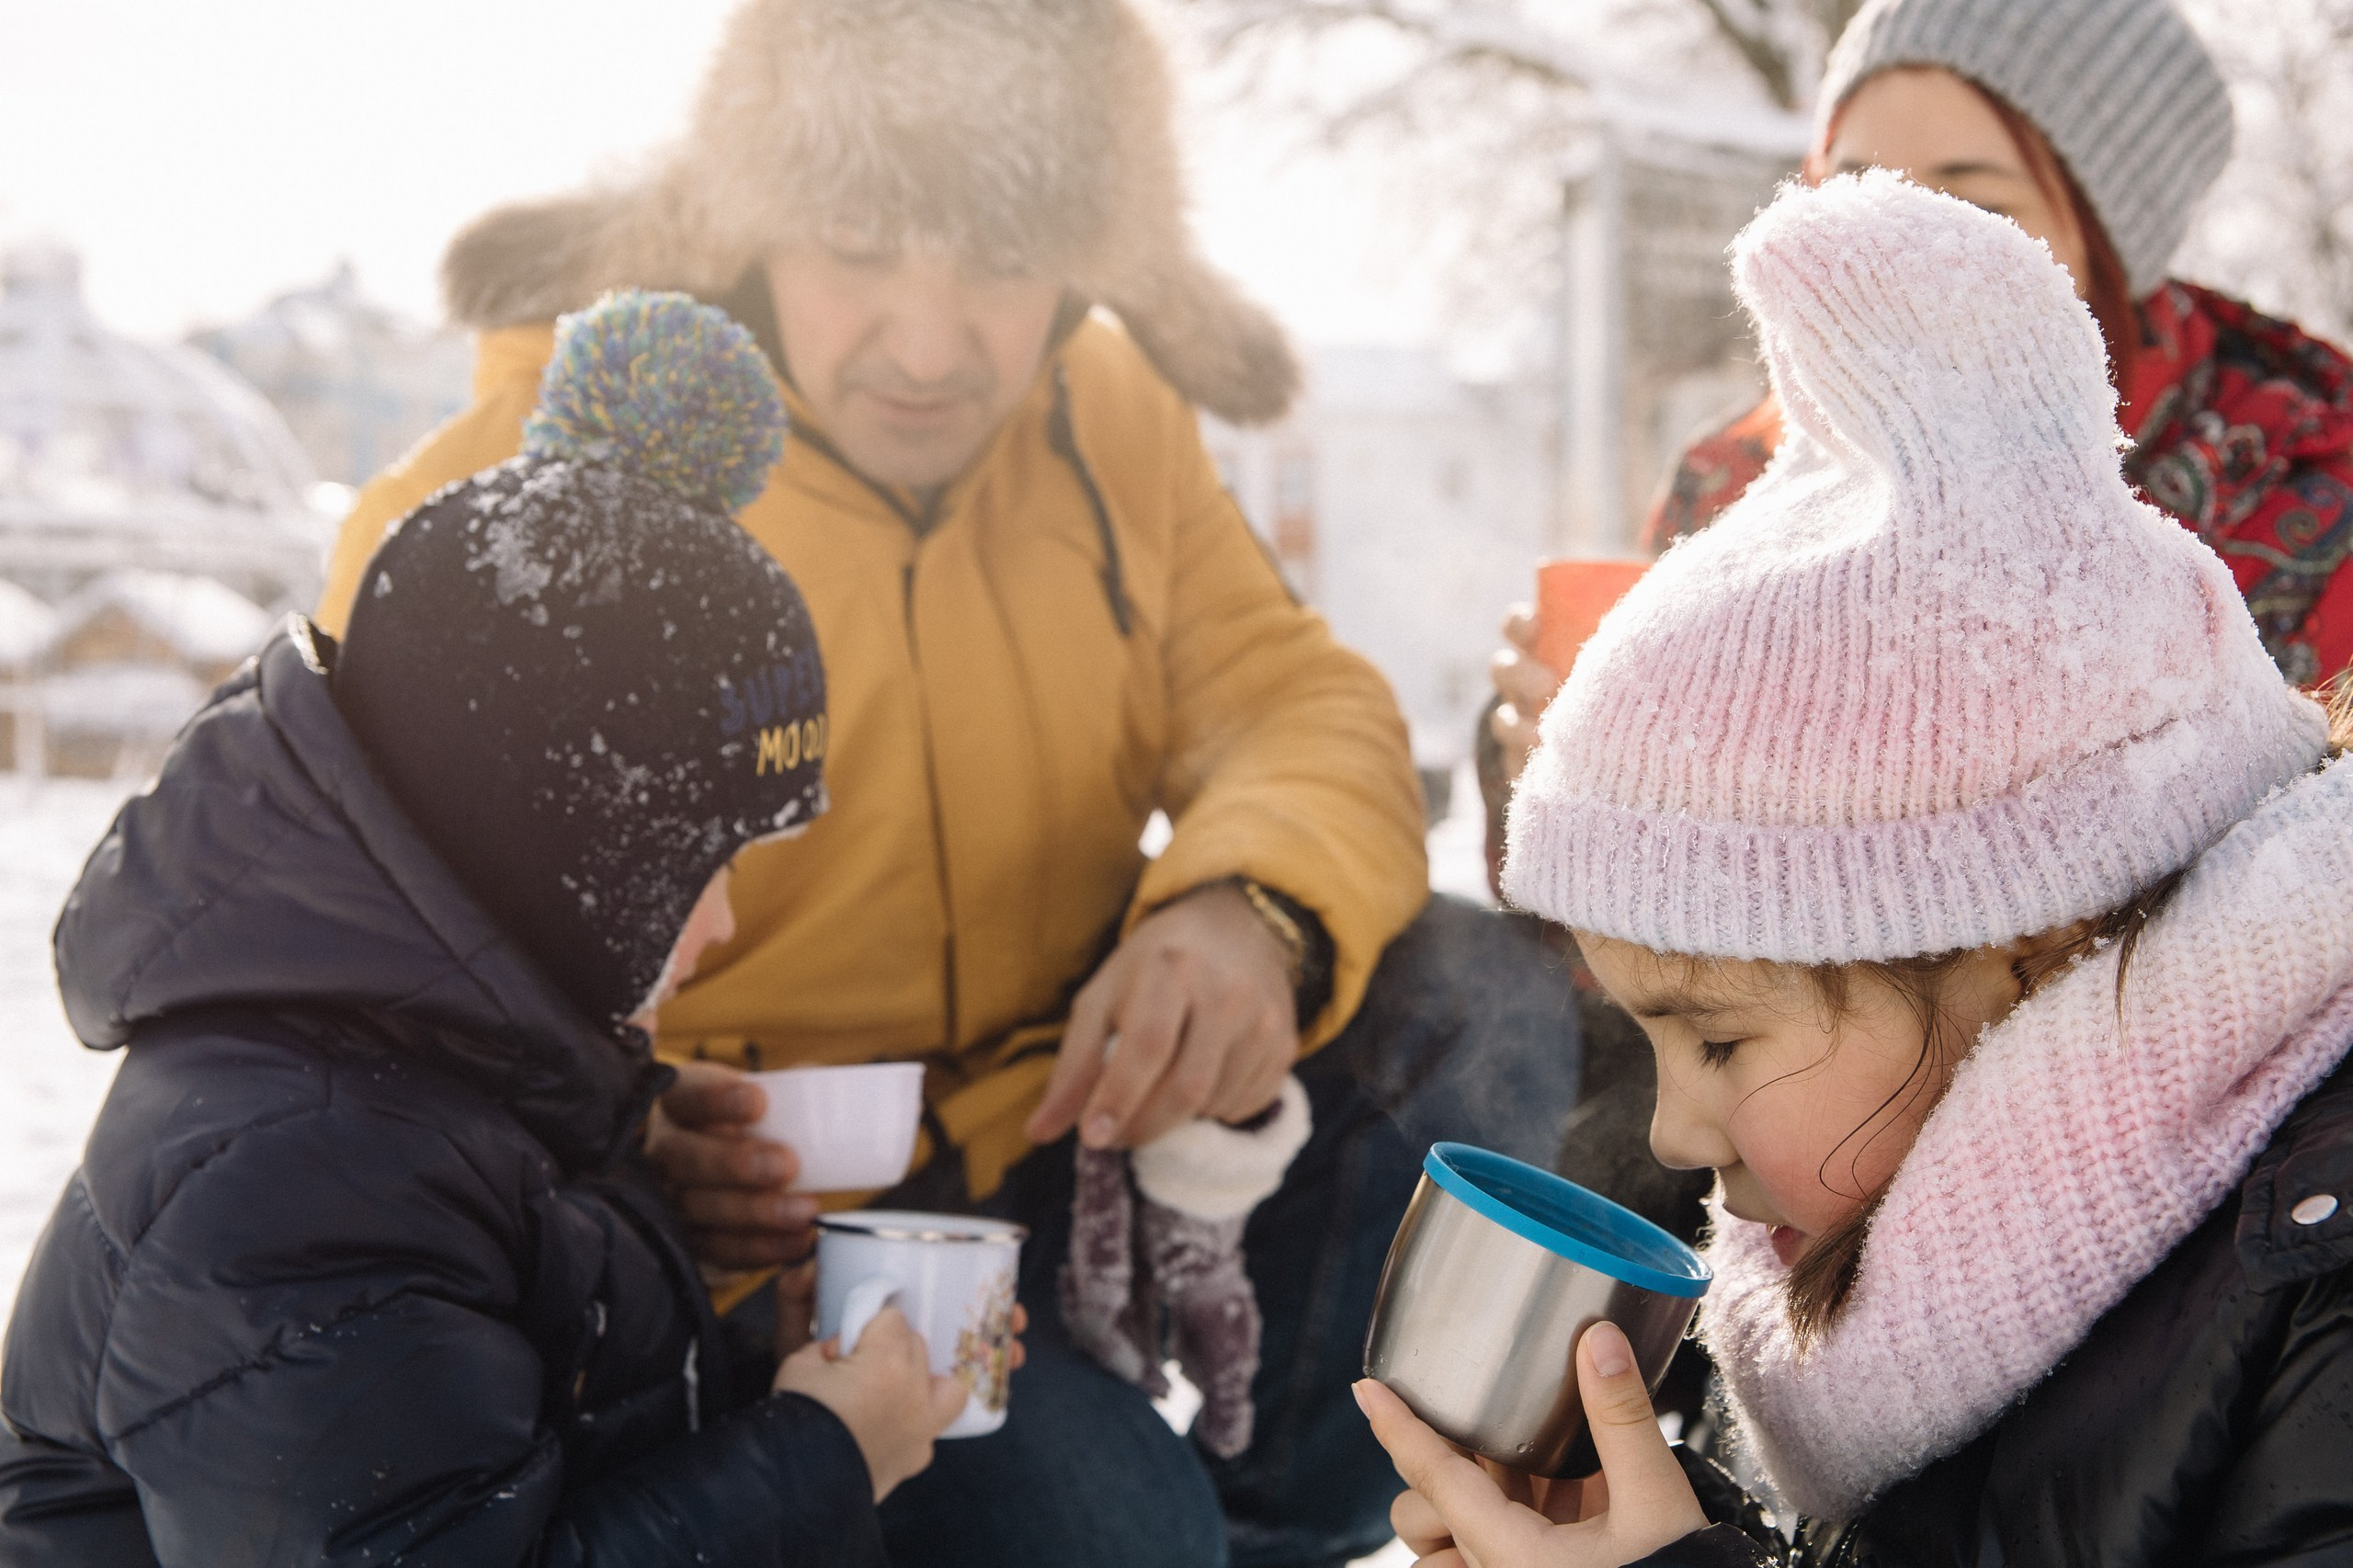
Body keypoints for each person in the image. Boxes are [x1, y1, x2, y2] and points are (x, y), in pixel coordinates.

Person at [311, 2, 1582, 1562]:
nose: (929, 345)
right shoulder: (544, 468)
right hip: (711, 1241)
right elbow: (361, 917)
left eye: (997, 263)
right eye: (856, 245)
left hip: (1052, 1144)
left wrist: (1249, 909)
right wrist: (617, 1135)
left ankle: (1278, 1533)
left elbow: (1292, 698)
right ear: (753, 222)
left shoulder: (1109, 411)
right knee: (1112, 1535)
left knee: (1475, 990)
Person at [1361, 171, 2353, 1566]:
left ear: (2031, 945)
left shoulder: (2316, 1284)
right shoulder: (1887, 1273)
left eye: (1714, 1036)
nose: (1670, 1136)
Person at [0, 294, 989, 1564]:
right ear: (564, 857)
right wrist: (819, 1451)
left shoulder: (435, 1083)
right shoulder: (289, 1187)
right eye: (705, 872)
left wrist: (766, 1359)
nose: (724, 927)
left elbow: (504, 1432)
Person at [1483, 0, 2353, 866]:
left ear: (2110, 240)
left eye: (1972, 200)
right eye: (1857, 185)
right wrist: (1571, 799)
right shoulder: (1733, 480)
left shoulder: (2315, 485)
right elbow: (1653, 977)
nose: (1887, 246)